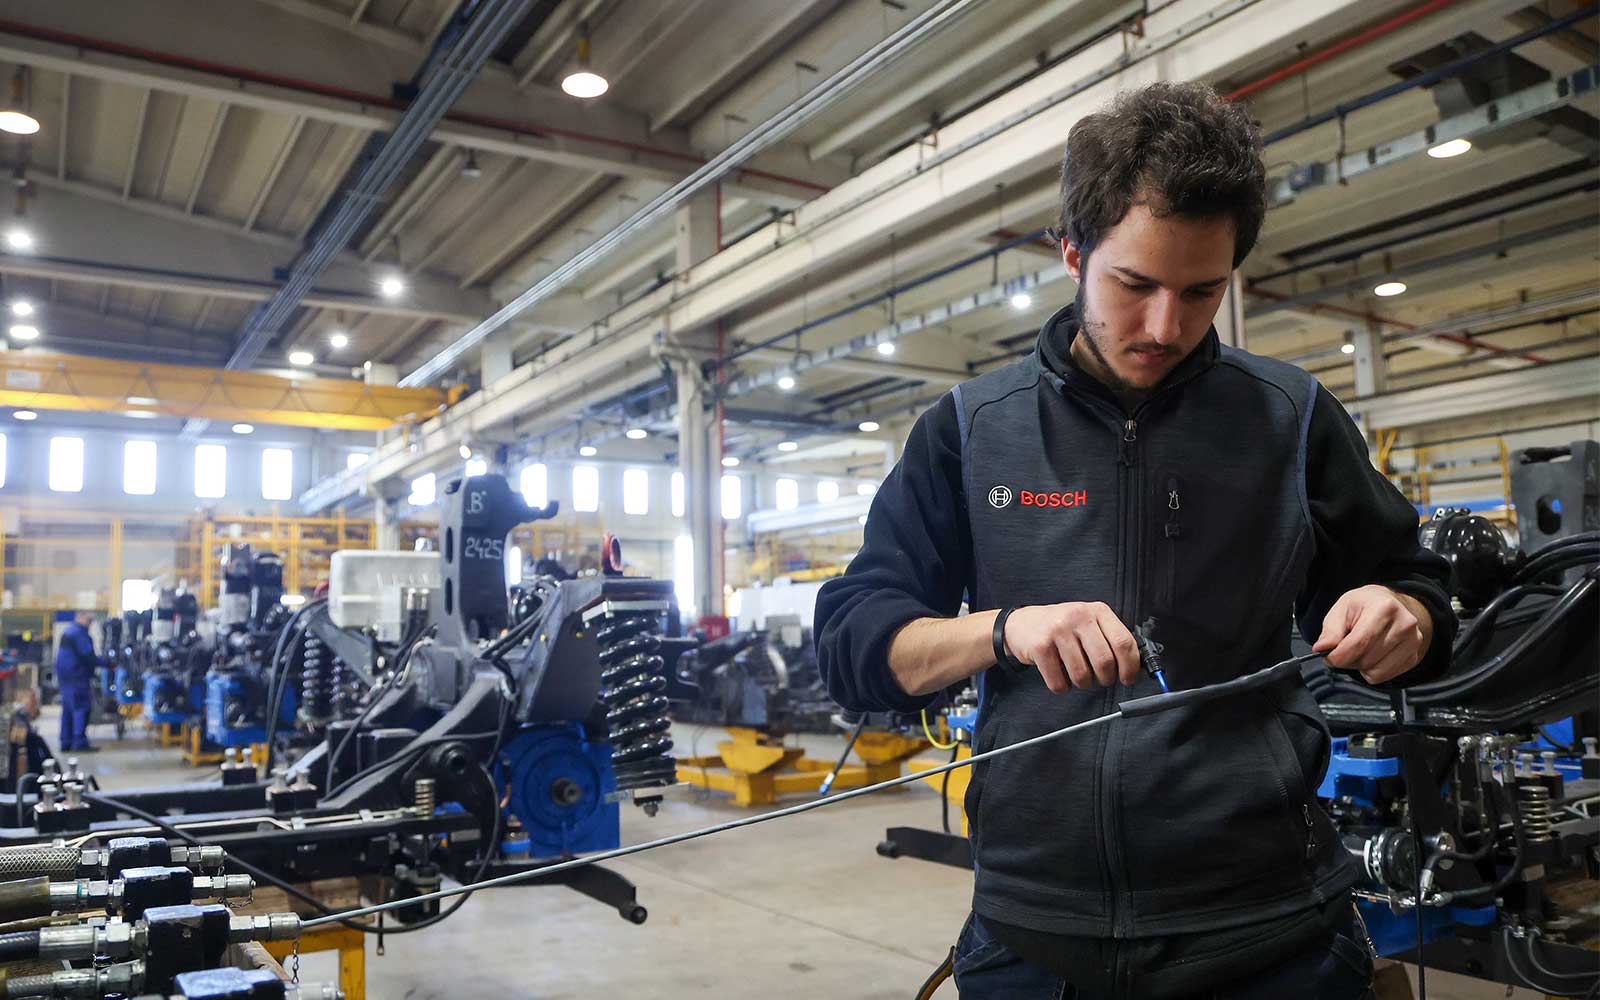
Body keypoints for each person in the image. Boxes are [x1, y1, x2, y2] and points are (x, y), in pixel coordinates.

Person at [814, 82, 1455, 1000]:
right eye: (1134, 285)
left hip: (1271, 931)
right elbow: (852, 646)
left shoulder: (1291, 418)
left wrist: (1404, 614)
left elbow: (1414, 587)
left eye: (1202, 292)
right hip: (1037, 937)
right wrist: (1006, 630)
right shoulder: (971, 430)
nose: (1166, 327)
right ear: (1073, 254)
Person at [54, 610, 104, 753]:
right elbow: (88, 656)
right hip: (77, 676)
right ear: (79, 618)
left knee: (68, 709)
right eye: (88, 620)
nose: (90, 624)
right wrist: (107, 663)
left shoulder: (69, 631)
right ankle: (79, 742)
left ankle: (66, 742)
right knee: (81, 708)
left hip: (66, 676)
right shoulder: (79, 633)